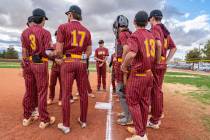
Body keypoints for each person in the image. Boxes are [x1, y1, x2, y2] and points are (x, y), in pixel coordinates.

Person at [49, 5, 92, 134]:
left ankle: (66, 125)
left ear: (70, 15)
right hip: (81, 62)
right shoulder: (87, 31)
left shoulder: (63, 27)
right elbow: (89, 50)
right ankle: (83, 120)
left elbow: (59, 50)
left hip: (67, 62)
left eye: (68, 14)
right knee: (83, 92)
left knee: (66, 94)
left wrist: (56, 57)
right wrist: (82, 58)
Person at [121, 11, 155, 140]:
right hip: (148, 73)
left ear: (134, 21)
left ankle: (141, 135)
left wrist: (124, 65)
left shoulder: (135, 35)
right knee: (144, 103)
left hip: (138, 74)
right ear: (146, 22)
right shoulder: (151, 35)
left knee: (133, 102)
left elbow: (131, 54)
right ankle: (141, 129)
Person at [21, 8, 55, 129]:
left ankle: (27, 117)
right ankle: (44, 119)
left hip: (28, 64)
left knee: (29, 91)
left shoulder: (24, 32)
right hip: (40, 63)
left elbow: (24, 52)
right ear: (41, 19)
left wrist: (25, 65)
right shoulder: (45, 32)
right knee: (42, 92)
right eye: (44, 19)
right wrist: (55, 56)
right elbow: (48, 52)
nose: (45, 21)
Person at [147, 10, 177, 129]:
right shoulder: (165, 32)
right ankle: (159, 112)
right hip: (162, 63)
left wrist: (158, 61)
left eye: (150, 19)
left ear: (153, 18)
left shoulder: (155, 29)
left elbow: (158, 45)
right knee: (157, 90)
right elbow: (174, 48)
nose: (149, 21)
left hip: (156, 64)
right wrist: (166, 61)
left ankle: (155, 120)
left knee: (155, 91)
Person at [113, 15, 132, 126]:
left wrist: (123, 63)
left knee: (121, 91)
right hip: (128, 64)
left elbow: (126, 48)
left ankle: (128, 117)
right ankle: (127, 113)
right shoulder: (129, 33)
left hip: (123, 64)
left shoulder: (122, 34)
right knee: (125, 90)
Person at [47, 31, 62, 106]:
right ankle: (51, 98)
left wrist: (63, 60)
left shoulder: (64, 46)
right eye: (56, 35)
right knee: (52, 84)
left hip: (63, 68)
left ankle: (60, 99)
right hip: (54, 67)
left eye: (59, 35)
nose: (57, 37)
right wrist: (55, 59)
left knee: (62, 84)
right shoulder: (53, 46)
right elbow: (48, 55)